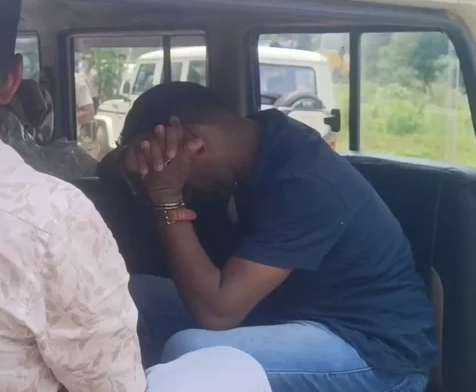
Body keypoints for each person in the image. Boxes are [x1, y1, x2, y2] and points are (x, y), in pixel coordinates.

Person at [0, 0, 272, 392]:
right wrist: (167, 197)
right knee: (236, 370)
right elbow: (115, 384)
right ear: (13, 79)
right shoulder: (51, 215)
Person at [109, 81, 437, 391]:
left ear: (193, 141)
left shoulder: (305, 180)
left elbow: (217, 313)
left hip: (372, 354)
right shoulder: (253, 149)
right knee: (128, 294)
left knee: (192, 351)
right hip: (284, 316)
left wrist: (167, 198)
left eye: (161, 166)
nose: (167, 180)